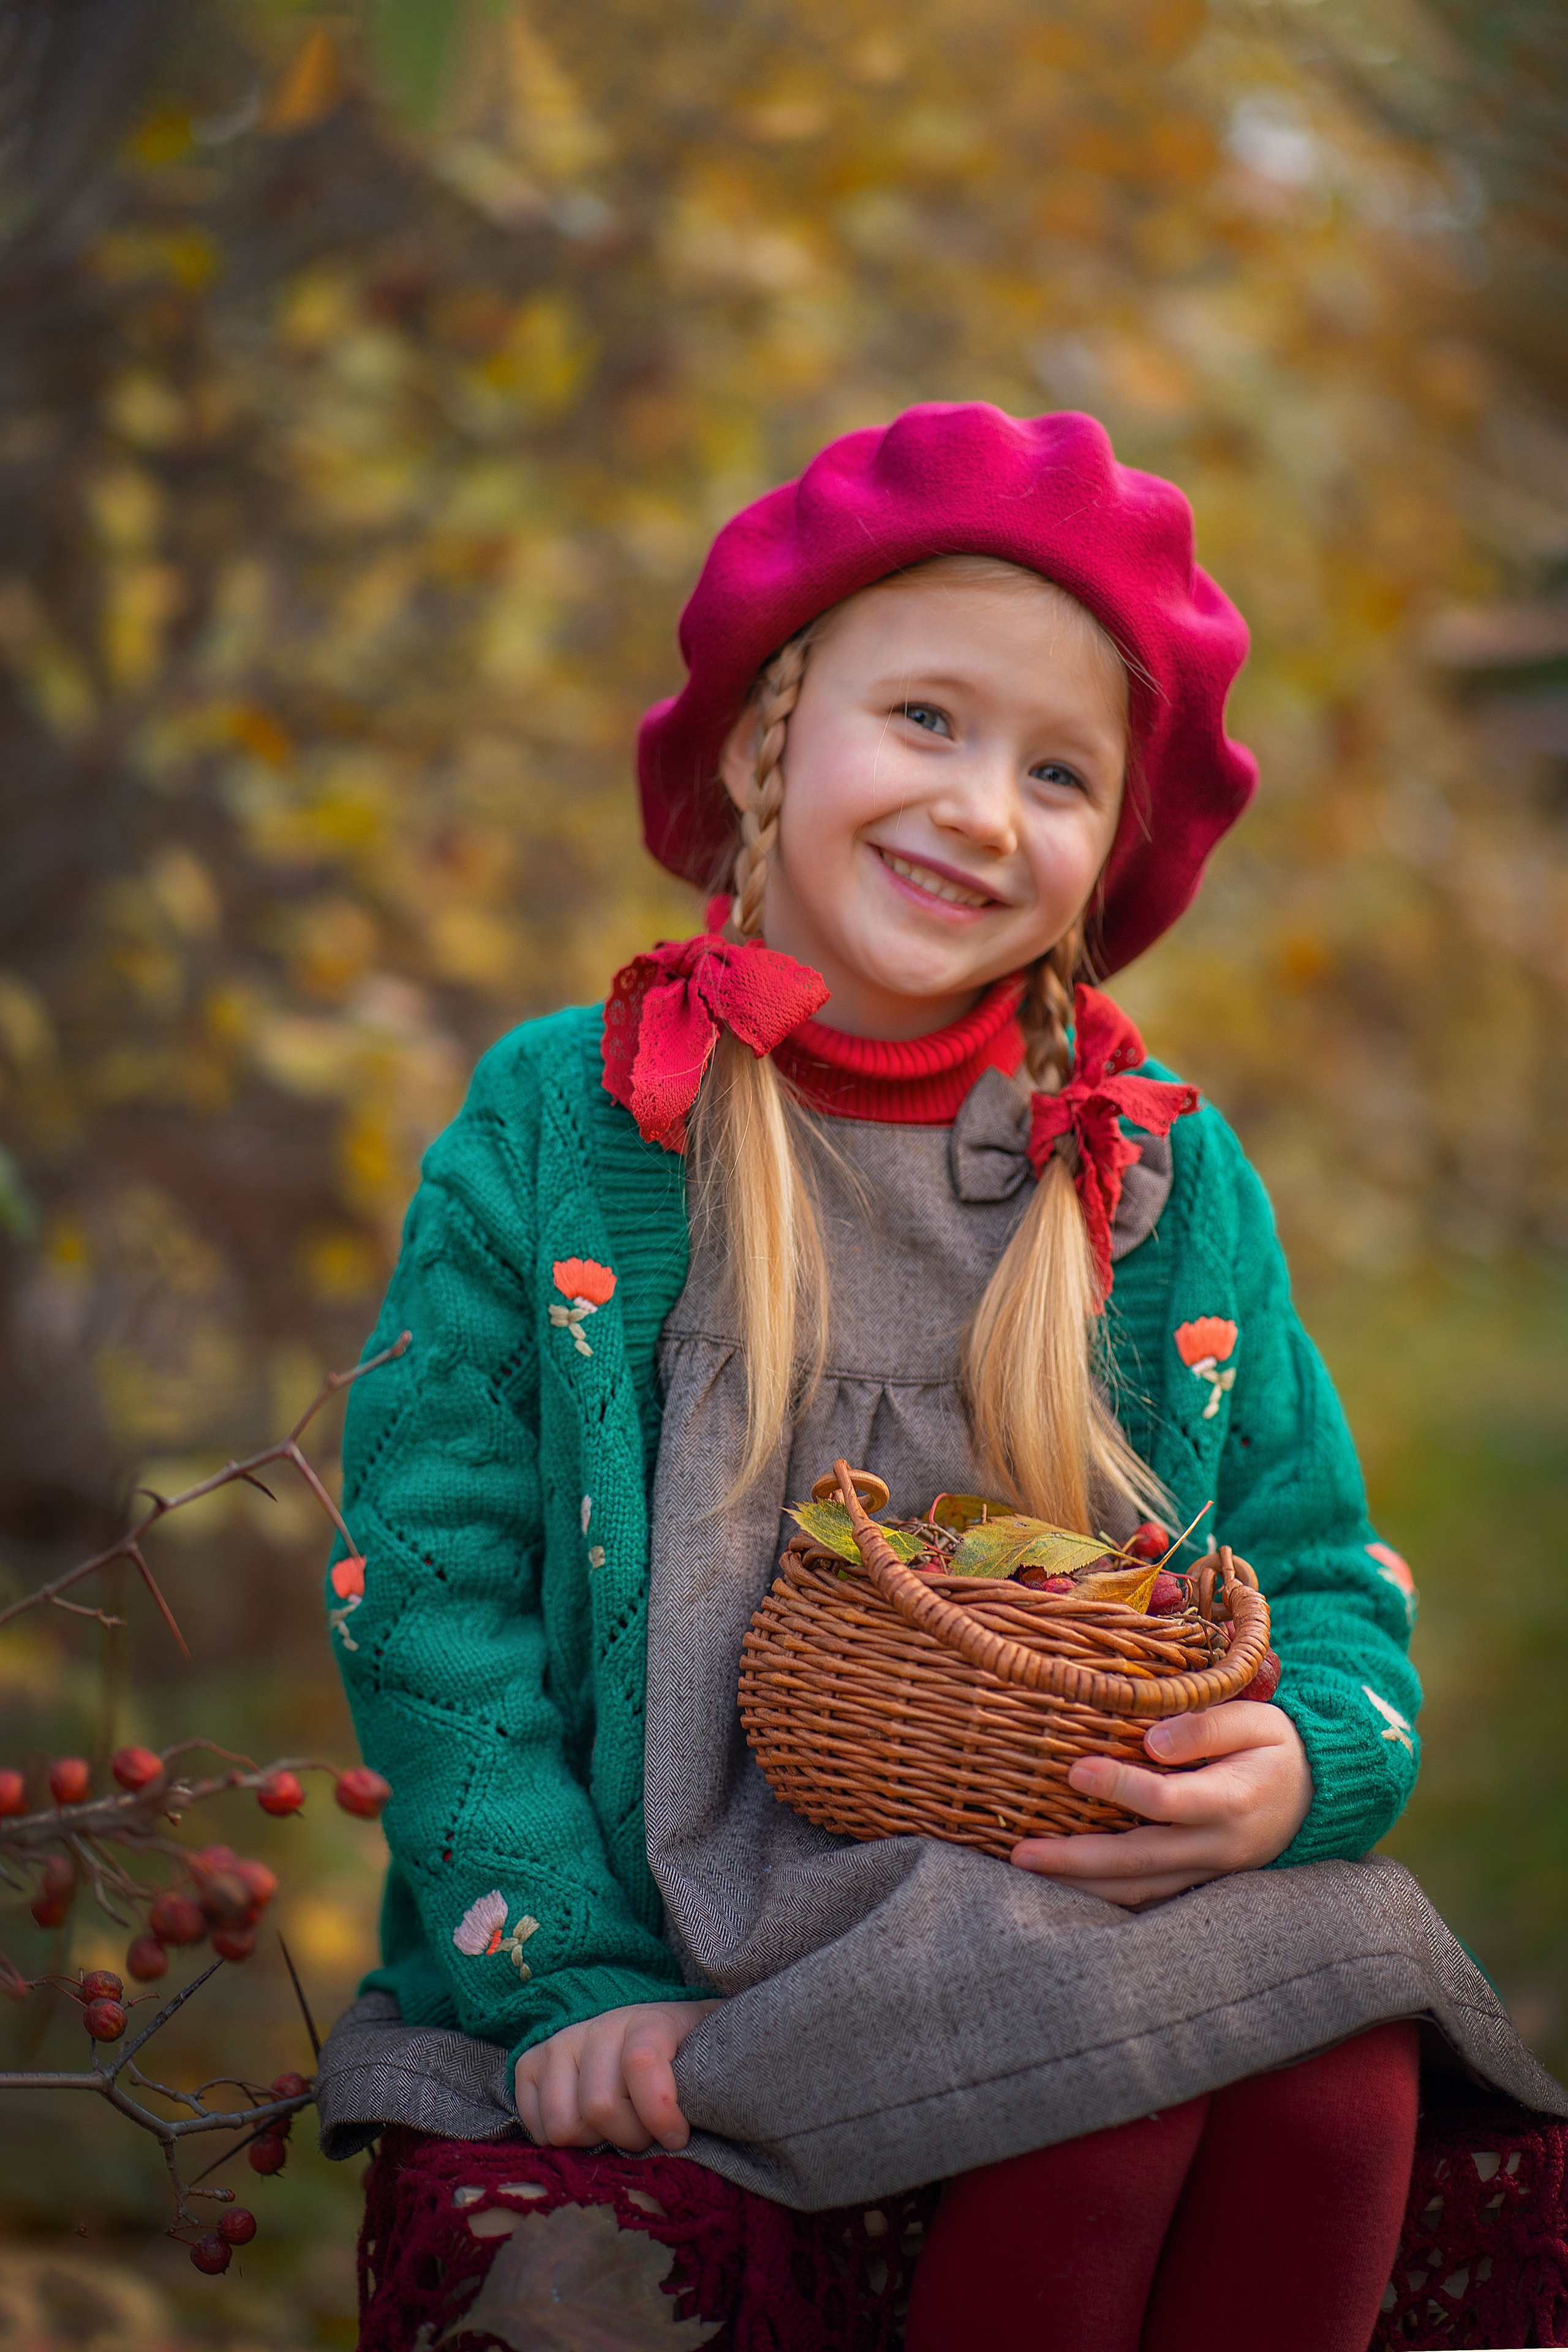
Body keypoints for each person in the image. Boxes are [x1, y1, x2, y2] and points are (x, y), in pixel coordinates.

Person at [314, 405, 1564, 2352]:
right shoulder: (574, 1130)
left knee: (1342, 2048)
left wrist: (1309, 1757)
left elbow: (1325, 1579)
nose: (984, 808)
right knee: (1101, 2067)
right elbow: (435, 1599)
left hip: (1056, 1870)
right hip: (711, 1925)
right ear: (765, 741)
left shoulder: (1146, 1175)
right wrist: (566, 1978)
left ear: (1106, 853)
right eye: (926, 722)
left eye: (1057, 770)